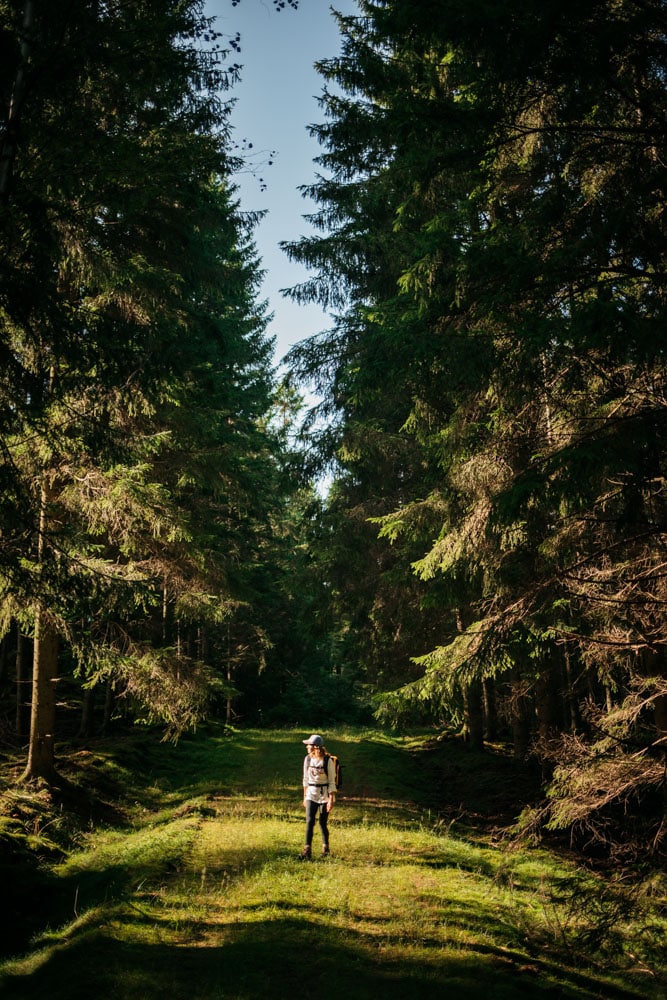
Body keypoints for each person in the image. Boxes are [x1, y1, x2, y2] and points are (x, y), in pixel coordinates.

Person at [298, 734, 336, 860]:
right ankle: (307, 851)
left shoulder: (327, 761)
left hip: (324, 795)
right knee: (309, 821)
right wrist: (305, 796)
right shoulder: (307, 759)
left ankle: (326, 849)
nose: (307, 747)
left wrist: (330, 799)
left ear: (315, 747)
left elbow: (331, 781)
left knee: (322, 823)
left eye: (309, 744)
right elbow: (305, 779)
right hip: (311, 794)